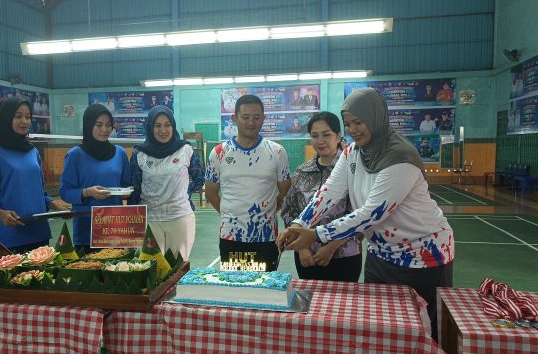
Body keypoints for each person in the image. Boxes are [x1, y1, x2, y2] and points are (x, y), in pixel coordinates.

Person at [277, 87, 454, 340]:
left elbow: (371, 213)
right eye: (348, 123)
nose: (352, 129)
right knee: (383, 330)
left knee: (423, 331)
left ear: (375, 117)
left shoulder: (400, 157)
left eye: (358, 122)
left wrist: (316, 234)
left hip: (422, 257)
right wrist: (298, 223)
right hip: (380, 255)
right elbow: (328, 193)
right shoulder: (353, 153)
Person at [204, 94, 291, 270]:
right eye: (245, 117)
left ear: (263, 119)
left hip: (266, 237)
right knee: (233, 289)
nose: (251, 122)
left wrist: (269, 210)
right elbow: (211, 193)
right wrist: (230, 213)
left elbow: (285, 191)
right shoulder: (219, 153)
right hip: (230, 236)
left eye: (256, 117)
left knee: (267, 287)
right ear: (235, 118)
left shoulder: (277, 152)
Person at [0, 98, 70, 253]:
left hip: (39, 234)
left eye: (28, 116)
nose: (24, 121)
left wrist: (53, 205)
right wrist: (0, 213)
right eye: (18, 116)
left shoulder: (32, 152)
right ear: (5, 118)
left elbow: (38, 191)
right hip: (9, 238)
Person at [281, 111, 362, 281]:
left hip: (344, 256)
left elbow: (358, 214)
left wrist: (331, 247)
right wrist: (302, 248)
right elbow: (289, 211)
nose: (320, 141)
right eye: (314, 135)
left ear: (338, 136)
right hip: (307, 257)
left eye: (326, 135)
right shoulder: (302, 171)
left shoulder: (354, 169)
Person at [128, 106, 204, 260]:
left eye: (167, 125)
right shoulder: (139, 154)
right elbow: (135, 190)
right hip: (150, 222)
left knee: (177, 271)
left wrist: (187, 191)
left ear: (173, 126)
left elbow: (200, 177)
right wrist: (132, 224)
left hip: (180, 219)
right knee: (150, 271)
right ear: (150, 127)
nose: (163, 130)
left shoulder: (185, 149)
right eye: (158, 126)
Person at [60, 104, 132, 252]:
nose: (104, 130)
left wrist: (126, 193)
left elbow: (127, 185)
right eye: (98, 125)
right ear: (88, 125)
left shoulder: (120, 153)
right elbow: (65, 192)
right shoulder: (75, 155)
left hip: (114, 228)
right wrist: (87, 192)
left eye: (108, 125)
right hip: (86, 230)